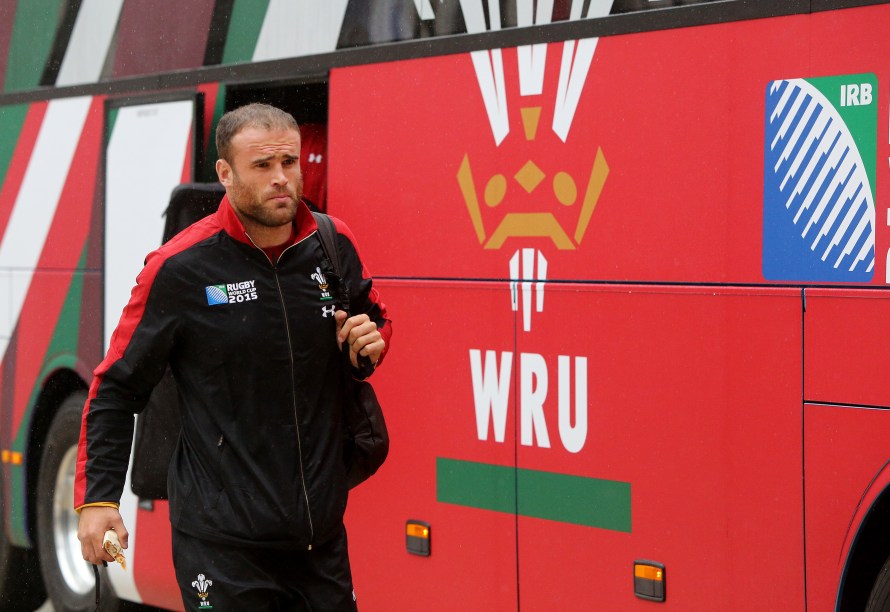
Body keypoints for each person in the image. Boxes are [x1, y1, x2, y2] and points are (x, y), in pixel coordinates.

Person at [75, 102, 391, 610]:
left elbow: (372, 323)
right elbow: (116, 386)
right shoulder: (180, 268)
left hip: (319, 539)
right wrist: (98, 499)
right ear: (225, 173)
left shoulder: (333, 243)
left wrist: (367, 348)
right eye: (262, 165)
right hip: (220, 546)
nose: (281, 178)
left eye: (289, 162)